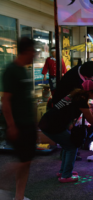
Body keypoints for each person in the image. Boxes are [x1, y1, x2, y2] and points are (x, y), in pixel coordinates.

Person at [38, 80, 93, 183]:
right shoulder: (81, 100)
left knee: (67, 146)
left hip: (48, 122)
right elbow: (92, 121)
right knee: (71, 147)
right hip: (52, 126)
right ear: (89, 92)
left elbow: (91, 114)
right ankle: (66, 176)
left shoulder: (75, 96)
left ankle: (63, 172)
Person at [1, 37, 36, 200]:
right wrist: (11, 126)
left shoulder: (24, 69)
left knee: (26, 161)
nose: (35, 55)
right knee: (24, 160)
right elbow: (5, 100)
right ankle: (4, 176)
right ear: (27, 51)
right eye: (33, 51)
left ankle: (19, 196)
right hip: (19, 124)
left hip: (28, 123)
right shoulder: (11, 70)